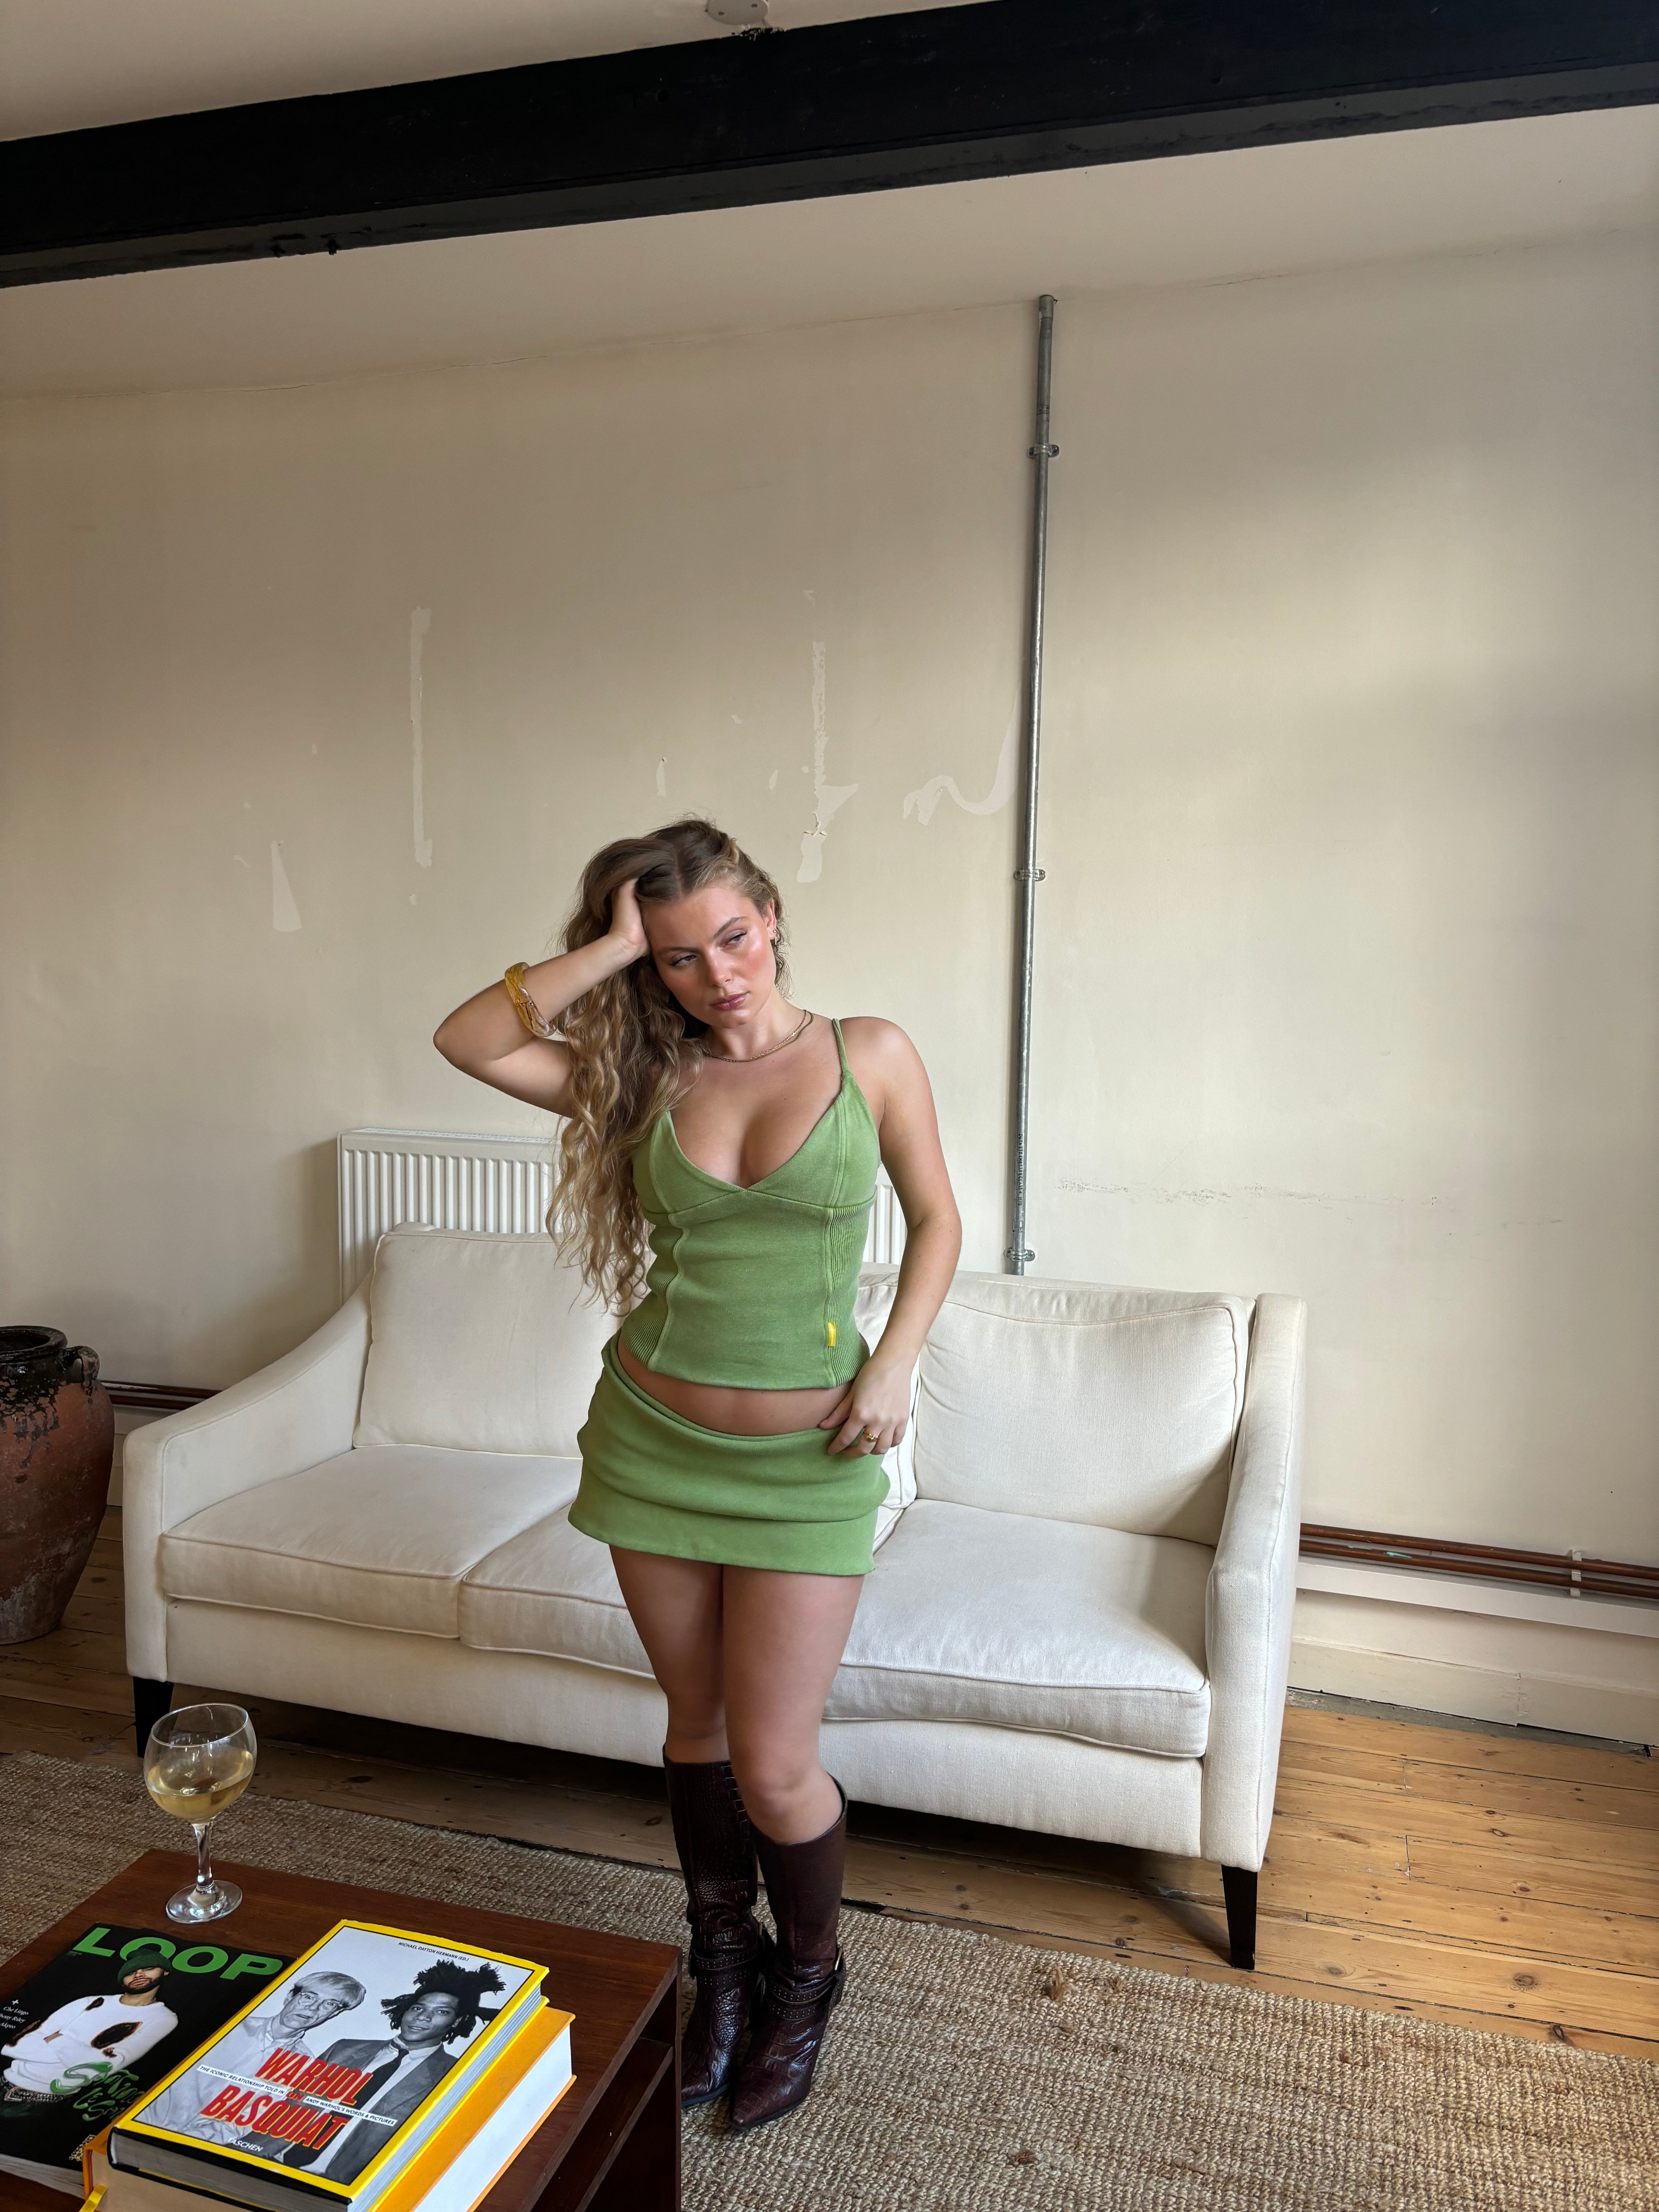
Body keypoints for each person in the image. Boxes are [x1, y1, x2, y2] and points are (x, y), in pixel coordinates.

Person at [434, 818, 961, 2131]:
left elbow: (939, 1219)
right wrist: (611, 947)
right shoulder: (642, 1078)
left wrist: (896, 1362)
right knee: (695, 1729)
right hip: (652, 1443)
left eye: (732, 936)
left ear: (771, 916)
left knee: (776, 1765)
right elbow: (470, 1039)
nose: (718, 973)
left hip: (808, 1465)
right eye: (679, 956)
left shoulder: (869, 1053)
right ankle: (722, 1964)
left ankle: (808, 1980)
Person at [138, 1970, 367, 2145]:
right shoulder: (227, 2026)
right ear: (290, 1996)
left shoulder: (305, 2064)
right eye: (309, 1997)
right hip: (141, 2118)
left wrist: (189, 2142)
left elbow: (244, 2121)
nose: (313, 2008)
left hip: (190, 2146)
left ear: (335, 2014)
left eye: (329, 2004)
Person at [1, 1949, 179, 2106]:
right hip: (5, 2081)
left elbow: (106, 2067)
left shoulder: (164, 2018)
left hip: (46, 2100)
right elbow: (16, 2046)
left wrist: (56, 2039)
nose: (139, 1974)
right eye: (131, 1972)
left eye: (148, 1969)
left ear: (164, 1972)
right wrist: (79, 2056)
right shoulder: (91, 2002)